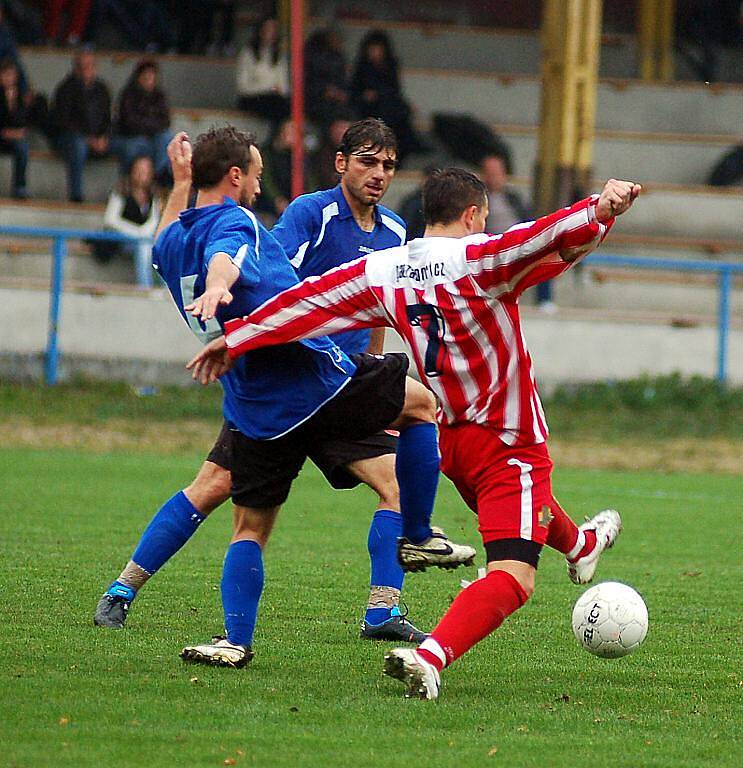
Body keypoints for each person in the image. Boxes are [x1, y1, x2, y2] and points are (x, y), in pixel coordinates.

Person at [188, 169, 641, 697]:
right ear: (473, 214)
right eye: (484, 218)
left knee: (526, 505)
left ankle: (582, 544)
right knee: (514, 576)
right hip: (507, 440)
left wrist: (239, 338)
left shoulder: (385, 268)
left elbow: (310, 301)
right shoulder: (481, 259)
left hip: (449, 444)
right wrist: (601, 210)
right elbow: (546, 236)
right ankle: (431, 656)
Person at [94, 127, 476, 666]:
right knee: (422, 406)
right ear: (236, 176)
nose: (259, 181)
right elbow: (230, 256)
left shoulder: (176, 238)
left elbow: (165, 238)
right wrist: (220, 286)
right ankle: (415, 535)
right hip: (314, 379)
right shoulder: (251, 219)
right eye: (254, 171)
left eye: (388, 164)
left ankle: (266, 634)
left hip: (263, 400)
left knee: (260, 520)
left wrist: (179, 182)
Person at [479, 152, 552, 308]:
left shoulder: (514, 198)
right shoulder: (478, 200)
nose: (494, 177)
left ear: (504, 174)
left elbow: (529, 221)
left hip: (517, 241)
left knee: (545, 253)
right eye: (490, 173)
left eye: (497, 173)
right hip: (491, 245)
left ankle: (545, 300)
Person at [349, 30, 427, 163]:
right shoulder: (362, 68)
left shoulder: (390, 67)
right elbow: (354, 92)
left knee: (399, 114)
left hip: (388, 106)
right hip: (369, 109)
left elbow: (394, 91)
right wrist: (366, 95)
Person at [51, 51, 112, 203]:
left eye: (89, 66)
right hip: (70, 139)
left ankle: (127, 198)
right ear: (75, 69)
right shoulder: (65, 89)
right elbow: (63, 121)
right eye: (82, 66)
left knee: (130, 147)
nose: (86, 70)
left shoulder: (102, 89)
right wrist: (89, 139)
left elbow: (107, 118)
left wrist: (104, 137)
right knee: (78, 146)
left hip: (97, 139)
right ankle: (76, 195)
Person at [99, 154, 160, 288]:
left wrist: (143, 233)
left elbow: (154, 220)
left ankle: (164, 287)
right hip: (122, 239)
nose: (141, 174)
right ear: (132, 170)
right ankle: (145, 287)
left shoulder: (152, 194)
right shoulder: (121, 191)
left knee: (158, 247)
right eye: (139, 170)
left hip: (144, 238)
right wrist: (135, 232)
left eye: (145, 171)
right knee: (144, 247)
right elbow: (110, 220)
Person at [114, 59, 172, 183]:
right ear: (139, 77)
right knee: (136, 145)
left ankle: (158, 176)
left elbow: (165, 121)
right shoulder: (128, 95)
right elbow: (129, 122)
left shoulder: (160, 96)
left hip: (154, 136)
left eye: (152, 76)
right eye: (146, 76)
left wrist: (149, 126)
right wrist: (150, 126)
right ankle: (130, 179)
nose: (149, 79)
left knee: (167, 138)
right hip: (132, 136)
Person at [235, 16, 289, 125]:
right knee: (274, 105)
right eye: (268, 29)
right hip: (252, 97)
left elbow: (284, 84)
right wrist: (268, 88)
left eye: (274, 29)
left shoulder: (279, 55)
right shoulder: (248, 53)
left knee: (284, 104)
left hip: (274, 98)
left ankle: (276, 136)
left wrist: (278, 90)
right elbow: (243, 87)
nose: (272, 33)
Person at [304, 29, 351, 126]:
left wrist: (342, 93)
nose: (338, 43)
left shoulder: (339, 58)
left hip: (337, 103)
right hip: (317, 104)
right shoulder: (314, 58)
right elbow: (310, 82)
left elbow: (344, 82)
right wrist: (325, 90)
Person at [0, 58, 29, 198]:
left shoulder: (19, 97)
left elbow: (22, 124)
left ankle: (20, 187)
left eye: (11, 75)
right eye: (6, 75)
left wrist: (11, 103)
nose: (9, 78)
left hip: (11, 138)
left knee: (22, 147)